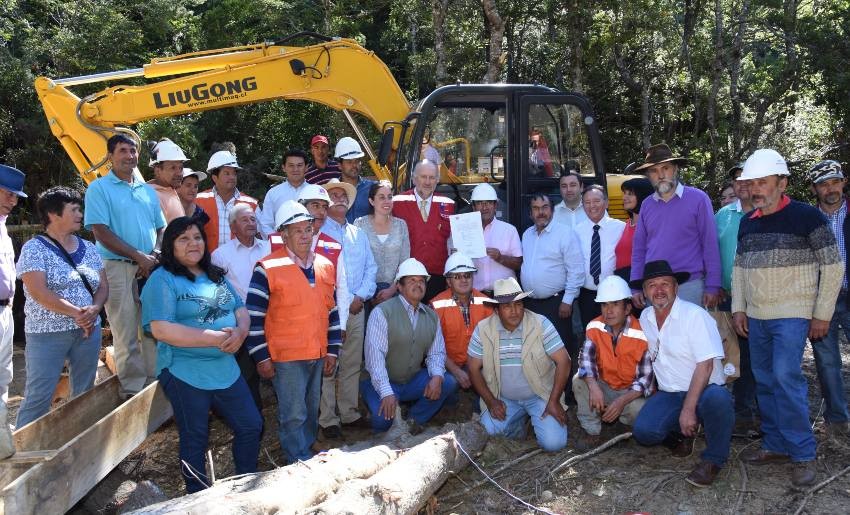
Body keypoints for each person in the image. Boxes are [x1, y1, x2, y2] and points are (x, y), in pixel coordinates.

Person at [732, 149, 843, 488]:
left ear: (782, 182)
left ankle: (802, 453)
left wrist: (822, 313)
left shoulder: (807, 216)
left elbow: (834, 266)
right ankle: (776, 444)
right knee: (764, 380)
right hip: (758, 316)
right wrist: (738, 307)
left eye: (762, 182)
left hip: (793, 315)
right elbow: (738, 269)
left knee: (784, 377)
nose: (755, 190)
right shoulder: (747, 222)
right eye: (752, 184)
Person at [141, 216, 262, 493]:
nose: (192, 243)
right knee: (194, 436)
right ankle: (198, 497)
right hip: (185, 370)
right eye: (183, 239)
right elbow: (161, 329)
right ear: (170, 246)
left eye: (197, 237)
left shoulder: (215, 274)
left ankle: (244, 486)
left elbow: (240, 310)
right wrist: (216, 337)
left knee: (251, 425)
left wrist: (240, 333)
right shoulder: (162, 280)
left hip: (225, 368)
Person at [245, 201, 341, 463]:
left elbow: (331, 311)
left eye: (307, 229)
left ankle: (306, 449)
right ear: (283, 234)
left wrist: (332, 350)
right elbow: (253, 318)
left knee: (311, 410)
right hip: (286, 357)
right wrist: (261, 357)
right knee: (293, 413)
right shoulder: (267, 268)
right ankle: (295, 462)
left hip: (317, 352)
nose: (303, 235)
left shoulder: (324, 265)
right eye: (296, 230)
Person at [631, 260, 733, 487]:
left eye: (665, 284)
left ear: (676, 288)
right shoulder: (645, 318)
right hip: (671, 392)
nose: (659, 290)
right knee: (644, 431)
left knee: (719, 400)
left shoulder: (695, 316)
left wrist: (688, 408)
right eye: (652, 285)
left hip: (705, 388)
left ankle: (714, 459)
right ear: (645, 292)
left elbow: (705, 366)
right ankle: (683, 435)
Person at [16, 187, 107, 427]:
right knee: (39, 395)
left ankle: (80, 444)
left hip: (88, 330)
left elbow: (102, 286)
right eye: (74, 209)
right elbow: (39, 292)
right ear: (53, 214)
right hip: (46, 334)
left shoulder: (89, 248)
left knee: (85, 392)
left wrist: (95, 309)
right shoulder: (34, 249)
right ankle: (23, 455)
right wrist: (78, 314)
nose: (80, 214)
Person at [84, 134, 165, 397]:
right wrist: (138, 256)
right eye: (122, 150)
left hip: (150, 268)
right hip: (116, 268)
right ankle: (132, 389)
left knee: (152, 328)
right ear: (110, 156)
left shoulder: (146, 190)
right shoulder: (99, 189)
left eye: (133, 151)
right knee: (125, 329)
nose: (129, 156)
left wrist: (152, 255)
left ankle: (156, 385)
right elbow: (100, 231)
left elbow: (161, 227)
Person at [467, 277, 570, 451]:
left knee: (554, 445)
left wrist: (553, 401)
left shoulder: (540, 324)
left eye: (518, 304)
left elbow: (564, 362)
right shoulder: (483, 329)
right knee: (488, 432)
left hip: (540, 396)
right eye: (507, 306)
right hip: (504, 399)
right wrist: (491, 401)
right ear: (497, 310)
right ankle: (517, 427)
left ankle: (535, 418)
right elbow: (472, 368)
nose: (514, 311)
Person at [363, 258, 458, 432]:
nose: (418, 284)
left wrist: (437, 377)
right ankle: (388, 413)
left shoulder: (431, 316)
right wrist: (386, 392)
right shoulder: (382, 312)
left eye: (421, 280)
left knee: (447, 382)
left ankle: (413, 421)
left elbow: (436, 353)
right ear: (399, 286)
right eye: (412, 280)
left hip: (412, 381)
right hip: (383, 381)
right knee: (383, 422)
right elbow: (374, 358)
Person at [630, 144, 722, 309]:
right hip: (654, 287)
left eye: (665, 168)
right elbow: (639, 249)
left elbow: (710, 244)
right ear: (648, 176)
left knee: (692, 334)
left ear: (676, 169)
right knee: (658, 335)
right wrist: (636, 286)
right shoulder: (646, 205)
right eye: (654, 171)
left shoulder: (698, 199)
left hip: (690, 286)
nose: (660, 175)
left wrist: (713, 285)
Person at [319, 179, 377, 438]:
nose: (340, 198)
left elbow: (371, 269)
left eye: (344, 195)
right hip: (330, 310)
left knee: (352, 362)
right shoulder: (318, 233)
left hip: (356, 308)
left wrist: (360, 297)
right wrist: (341, 302)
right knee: (329, 363)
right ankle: (328, 419)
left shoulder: (358, 234)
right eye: (334, 195)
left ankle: (350, 413)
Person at [573, 276, 651, 450]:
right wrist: (594, 387)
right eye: (604, 305)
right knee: (579, 380)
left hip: (630, 392)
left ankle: (624, 425)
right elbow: (586, 361)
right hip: (604, 386)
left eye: (615, 304)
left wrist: (621, 401)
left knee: (640, 410)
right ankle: (592, 431)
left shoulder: (642, 334)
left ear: (627, 308)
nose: (608, 311)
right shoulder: (594, 327)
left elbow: (645, 381)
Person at [211, 203, 271, 411]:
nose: (251, 223)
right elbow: (218, 294)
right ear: (233, 227)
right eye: (245, 219)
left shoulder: (270, 248)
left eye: (253, 219)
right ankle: (255, 419)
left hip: (272, 319)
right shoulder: (220, 255)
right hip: (241, 323)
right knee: (248, 375)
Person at [520, 193, 585, 387]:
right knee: (536, 349)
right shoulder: (527, 235)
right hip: (531, 304)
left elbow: (576, 269)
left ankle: (565, 395)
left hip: (557, 304)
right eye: (536, 208)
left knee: (561, 350)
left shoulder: (564, 234)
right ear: (530, 213)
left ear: (552, 209)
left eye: (545, 207)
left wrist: (568, 300)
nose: (541, 212)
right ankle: (541, 390)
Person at [809, 159, 850, 436]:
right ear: (815, 189)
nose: (830, 188)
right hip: (822, 299)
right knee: (826, 361)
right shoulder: (808, 220)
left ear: (844, 183)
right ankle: (837, 419)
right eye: (824, 184)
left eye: (835, 181)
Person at [714, 163, 757, 430]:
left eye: (745, 179)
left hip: (760, 298)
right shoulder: (723, 215)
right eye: (736, 179)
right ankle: (740, 410)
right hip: (727, 295)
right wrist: (714, 284)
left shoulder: (767, 213)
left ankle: (760, 407)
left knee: (758, 354)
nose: (740, 183)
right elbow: (711, 250)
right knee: (734, 352)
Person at [430, 253, 493, 395]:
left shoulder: (487, 302)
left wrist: (476, 369)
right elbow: (432, 347)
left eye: (467, 275)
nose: (464, 280)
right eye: (457, 276)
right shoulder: (435, 306)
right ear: (448, 281)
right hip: (449, 365)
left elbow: (493, 340)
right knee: (449, 383)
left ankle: (481, 411)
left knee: (492, 376)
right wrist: (456, 370)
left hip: (479, 363)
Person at [392, 160, 455, 302]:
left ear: (437, 180)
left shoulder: (449, 205)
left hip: (439, 277)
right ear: (414, 178)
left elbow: (453, 243)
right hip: (409, 277)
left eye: (432, 177)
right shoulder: (397, 202)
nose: (427, 182)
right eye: (423, 177)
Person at [574, 185, 625, 328]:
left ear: (606, 203)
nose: (592, 206)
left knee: (616, 335)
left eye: (596, 201)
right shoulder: (576, 231)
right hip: (587, 295)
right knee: (591, 335)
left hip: (614, 295)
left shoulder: (620, 228)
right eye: (587, 202)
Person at [458, 183, 522, 295]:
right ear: (473, 207)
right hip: (475, 295)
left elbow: (518, 263)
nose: (484, 207)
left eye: (488, 202)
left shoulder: (509, 230)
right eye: (479, 203)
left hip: (504, 295)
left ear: (495, 205)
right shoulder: (462, 231)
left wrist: (500, 258)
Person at [354, 180, 410, 306]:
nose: (387, 201)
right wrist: (369, 294)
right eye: (381, 197)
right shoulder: (360, 224)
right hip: (365, 295)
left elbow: (404, 262)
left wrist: (392, 289)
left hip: (394, 293)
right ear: (371, 201)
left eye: (390, 197)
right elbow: (356, 262)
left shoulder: (401, 225)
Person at [195, 150, 259, 252]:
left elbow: (261, 236)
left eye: (234, 173)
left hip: (240, 263)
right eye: (227, 173)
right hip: (207, 263)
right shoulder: (198, 201)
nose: (232, 177)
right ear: (215, 178)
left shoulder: (251, 204)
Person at [258, 149, 311, 235]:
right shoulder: (273, 193)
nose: (295, 169)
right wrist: (278, 242)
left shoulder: (315, 192)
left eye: (299, 165)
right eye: (291, 165)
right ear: (284, 168)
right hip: (279, 245)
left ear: (306, 167)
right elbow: (265, 224)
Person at [613, 177, 653, 281]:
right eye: (624, 193)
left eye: (630, 194)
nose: (624, 197)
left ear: (643, 196)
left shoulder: (650, 226)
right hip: (623, 281)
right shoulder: (627, 224)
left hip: (640, 282)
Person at [334, 137, 376, 223]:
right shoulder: (332, 191)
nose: (354, 165)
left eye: (357, 161)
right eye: (349, 162)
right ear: (339, 165)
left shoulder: (373, 188)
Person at [147, 139, 189, 223]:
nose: (179, 173)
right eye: (173, 168)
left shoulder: (169, 189)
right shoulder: (151, 196)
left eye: (180, 168)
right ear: (158, 171)